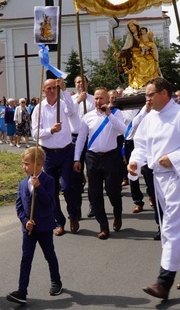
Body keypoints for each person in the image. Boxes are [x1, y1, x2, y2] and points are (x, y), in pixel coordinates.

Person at [128, 77, 180, 301]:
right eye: (146, 95)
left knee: (172, 227)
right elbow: (141, 145)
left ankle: (164, 281)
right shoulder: (149, 118)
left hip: (179, 177)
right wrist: (136, 161)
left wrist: (173, 158)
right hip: (159, 180)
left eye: (151, 94)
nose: (148, 99)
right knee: (178, 226)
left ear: (165, 93)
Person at [6, 147, 63, 305]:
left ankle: (56, 281)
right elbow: (19, 207)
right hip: (29, 229)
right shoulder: (22, 184)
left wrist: (39, 187)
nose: (23, 167)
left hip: (44, 227)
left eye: (26, 164)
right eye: (23, 164)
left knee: (49, 255)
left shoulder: (49, 181)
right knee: (26, 259)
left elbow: (50, 203)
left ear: (38, 165)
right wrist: (25, 221)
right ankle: (22, 291)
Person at [74, 87, 126, 239]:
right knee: (95, 193)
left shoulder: (116, 114)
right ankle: (103, 226)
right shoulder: (88, 117)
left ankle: (117, 214)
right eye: (96, 98)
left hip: (110, 157)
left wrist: (109, 115)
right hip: (93, 158)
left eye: (101, 98)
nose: (98, 101)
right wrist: (77, 158)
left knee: (112, 191)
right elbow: (81, 138)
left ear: (108, 99)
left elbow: (124, 130)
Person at [31, 77, 81, 236]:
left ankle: (73, 215)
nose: (52, 91)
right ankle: (59, 222)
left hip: (66, 152)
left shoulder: (63, 104)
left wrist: (65, 89)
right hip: (49, 154)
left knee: (67, 187)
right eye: (49, 88)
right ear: (44, 91)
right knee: (51, 191)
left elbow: (73, 110)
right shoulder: (38, 109)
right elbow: (34, 134)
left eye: (55, 88)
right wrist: (50, 130)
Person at [71, 75, 95, 218]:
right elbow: (67, 113)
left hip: (91, 138)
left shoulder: (93, 100)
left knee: (91, 174)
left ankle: (93, 205)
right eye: (77, 82)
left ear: (87, 83)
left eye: (82, 81)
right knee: (76, 175)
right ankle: (77, 208)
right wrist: (78, 101)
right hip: (75, 138)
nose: (80, 84)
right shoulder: (71, 101)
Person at [116, 20, 161, 89]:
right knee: (142, 62)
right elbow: (126, 49)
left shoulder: (143, 35)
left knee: (152, 61)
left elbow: (150, 43)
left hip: (145, 53)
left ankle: (152, 82)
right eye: (130, 27)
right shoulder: (130, 38)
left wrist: (148, 47)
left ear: (136, 26)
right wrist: (119, 54)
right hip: (135, 55)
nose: (131, 28)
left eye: (132, 26)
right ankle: (141, 84)